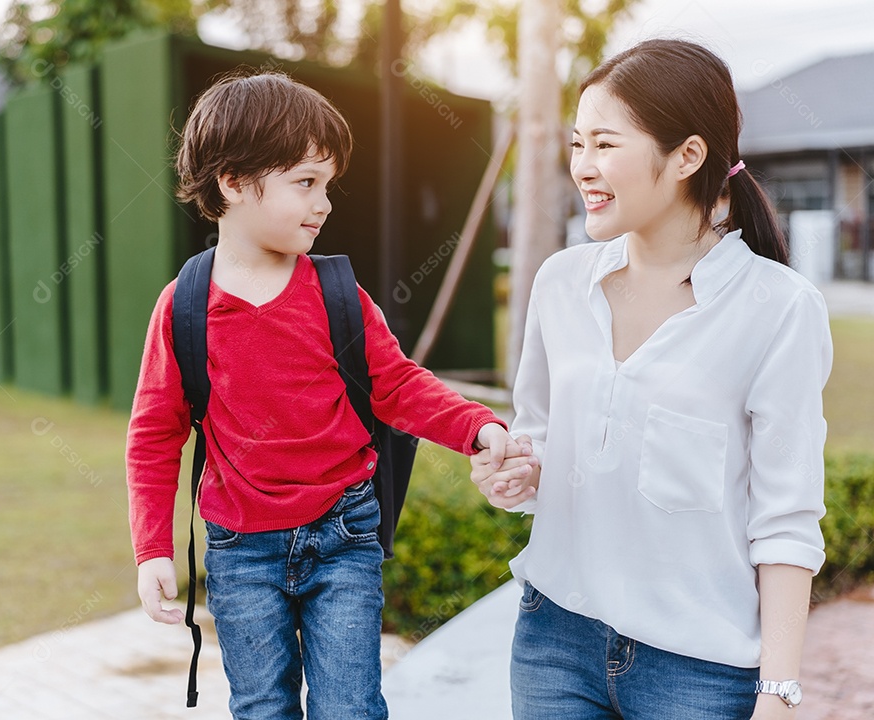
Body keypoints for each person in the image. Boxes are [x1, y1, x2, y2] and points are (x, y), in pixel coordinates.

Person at [125, 70, 512, 720]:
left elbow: (397, 385)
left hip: (344, 536)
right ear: (234, 182)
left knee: (351, 708)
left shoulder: (337, 296)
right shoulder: (183, 308)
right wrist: (153, 550)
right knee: (262, 708)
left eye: (326, 184)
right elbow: (153, 436)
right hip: (240, 551)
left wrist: (476, 425)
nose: (324, 202)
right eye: (305, 182)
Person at [472, 39, 832, 719]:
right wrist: (518, 474)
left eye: (605, 144)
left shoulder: (779, 309)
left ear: (688, 156)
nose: (582, 167)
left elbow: (786, 520)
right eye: (577, 144)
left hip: (699, 672)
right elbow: (541, 438)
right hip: (554, 641)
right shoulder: (561, 283)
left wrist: (779, 694)